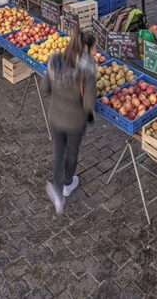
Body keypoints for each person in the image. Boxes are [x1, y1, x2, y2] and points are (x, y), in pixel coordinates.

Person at [42, 29, 96, 215]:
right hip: (74, 121)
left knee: (59, 151)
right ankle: (67, 184)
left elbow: (45, 88)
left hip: (55, 116)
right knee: (71, 152)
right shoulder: (87, 69)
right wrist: (90, 116)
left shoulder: (55, 60)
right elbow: (89, 103)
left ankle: (56, 186)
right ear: (87, 48)